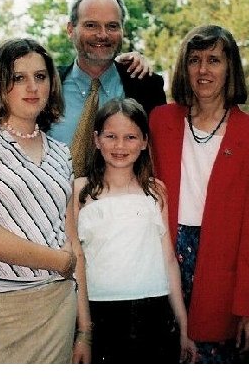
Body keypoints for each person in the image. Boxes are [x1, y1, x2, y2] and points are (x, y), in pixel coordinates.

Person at [0, 38, 89, 364]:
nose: (32, 87)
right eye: (18, 77)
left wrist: (85, 330)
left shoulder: (60, 152)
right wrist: (61, 263)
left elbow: (73, 242)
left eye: (40, 77)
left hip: (57, 310)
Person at [149, 25, 249, 363]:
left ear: (230, 67)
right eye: (194, 60)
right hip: (162, 257)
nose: (203, 70)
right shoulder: (160, 122)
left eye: (214, 60)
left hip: (220, 268)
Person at [71, 98, 197, 363]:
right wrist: (83, 331)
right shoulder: (79, 191)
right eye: (111, 136)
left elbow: (168, 261)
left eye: (130, 137)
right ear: (96, 139)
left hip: (153, 312)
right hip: (99, 313)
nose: (119, 146)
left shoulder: (156, 192)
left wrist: (185, 328)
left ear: (144, 142)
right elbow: (75, 262)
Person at [49, 0, 166, 176]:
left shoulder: (146, 87)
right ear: (71, 29)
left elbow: (158, 158)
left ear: (122, 30)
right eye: (91, 25)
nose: (102, 35)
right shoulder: (47, 85)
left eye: (112, 26)